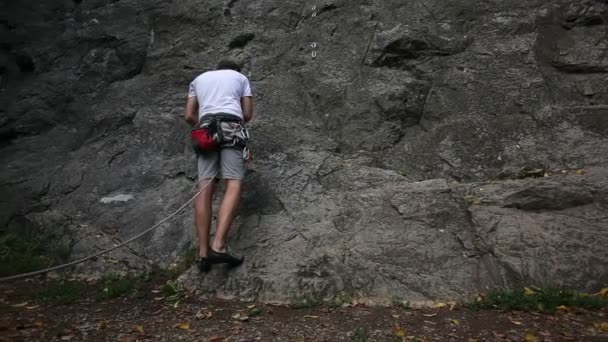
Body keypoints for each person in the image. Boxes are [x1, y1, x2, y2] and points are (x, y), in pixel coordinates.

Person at [184, 59, 254, 272]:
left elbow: (188, 115)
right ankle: (219, 245)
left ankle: (203, 254)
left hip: (205, 130)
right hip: (231, 127)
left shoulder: (198, 80)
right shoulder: (241, 78)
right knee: (233, 182)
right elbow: (247, 114)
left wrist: (206, 124)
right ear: (235, 71)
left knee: (205, 187)